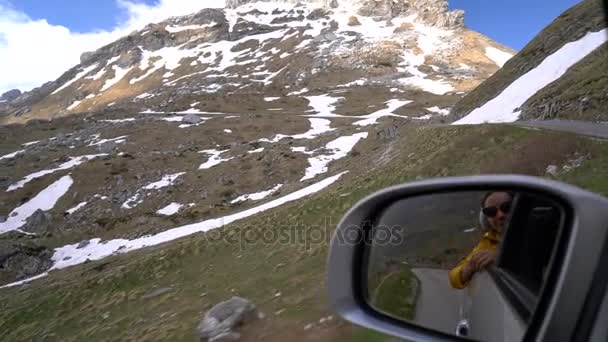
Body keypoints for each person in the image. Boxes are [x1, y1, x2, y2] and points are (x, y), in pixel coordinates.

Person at [448, 191, 514, 289]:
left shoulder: (532, 234)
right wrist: (470, 266)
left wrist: (501, 256)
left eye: (506, 207)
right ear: (485, 219)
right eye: (491, 212)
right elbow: (454, 279)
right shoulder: (488, 241)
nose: (500, 215)